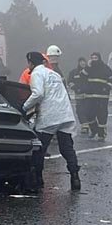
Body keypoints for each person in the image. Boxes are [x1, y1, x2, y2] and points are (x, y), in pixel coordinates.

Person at [23, 50, 81, 191]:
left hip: (50, 116)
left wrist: (24, 107)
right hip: (65, 115)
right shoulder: (54, 74)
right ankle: (75, 178)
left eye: (29, 62)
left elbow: (38, 94)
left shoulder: (37, 74)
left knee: (40, 149)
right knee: (67, 148)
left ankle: (38, 179)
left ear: (31, 63)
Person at [83, 52, 112, 141]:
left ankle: (101, 135)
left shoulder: (105, 68)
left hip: (102, 96)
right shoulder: (89, 68)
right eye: (92, 58)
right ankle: (94, 130)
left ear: (99, 58)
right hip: (90, 96)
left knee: (101, 115)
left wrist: (107, 87)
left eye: (96, 58)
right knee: (88, 114)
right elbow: (82, 76)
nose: (94, 59)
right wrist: (87, 66)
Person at [68, 57, 92, 135]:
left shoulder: (90, 72)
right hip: (78, 95)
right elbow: (70, 82)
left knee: (88, 111)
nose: (82, 63)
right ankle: (84, 126)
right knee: (79, 111)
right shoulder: (74, 72)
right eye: (81, 62)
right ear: (78, 63)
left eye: (84, 62)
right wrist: (75, 88)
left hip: (88, 95)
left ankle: (90, 125)